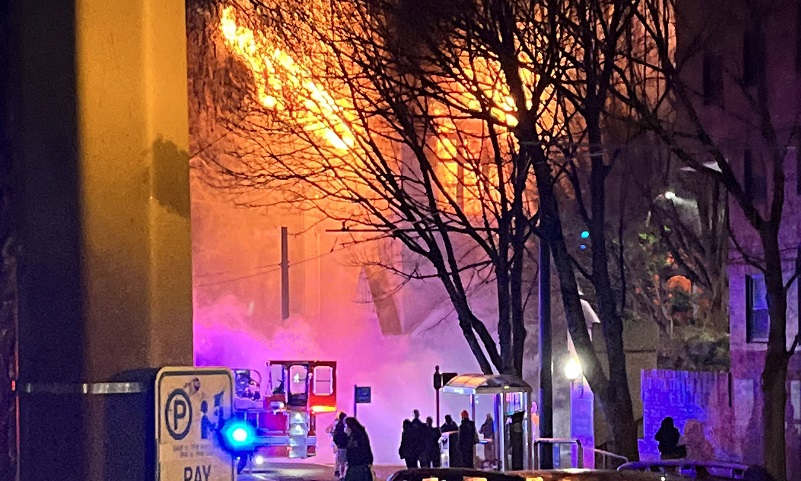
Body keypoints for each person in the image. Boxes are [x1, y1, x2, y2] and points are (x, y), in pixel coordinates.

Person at [330, 412, 349, 478]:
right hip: (343, 446)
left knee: (340, 460)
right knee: (342, 462)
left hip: (340, 445)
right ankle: (341, 475)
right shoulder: (342, 426)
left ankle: (340, 473)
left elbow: (334, 434)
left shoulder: (338, 425)